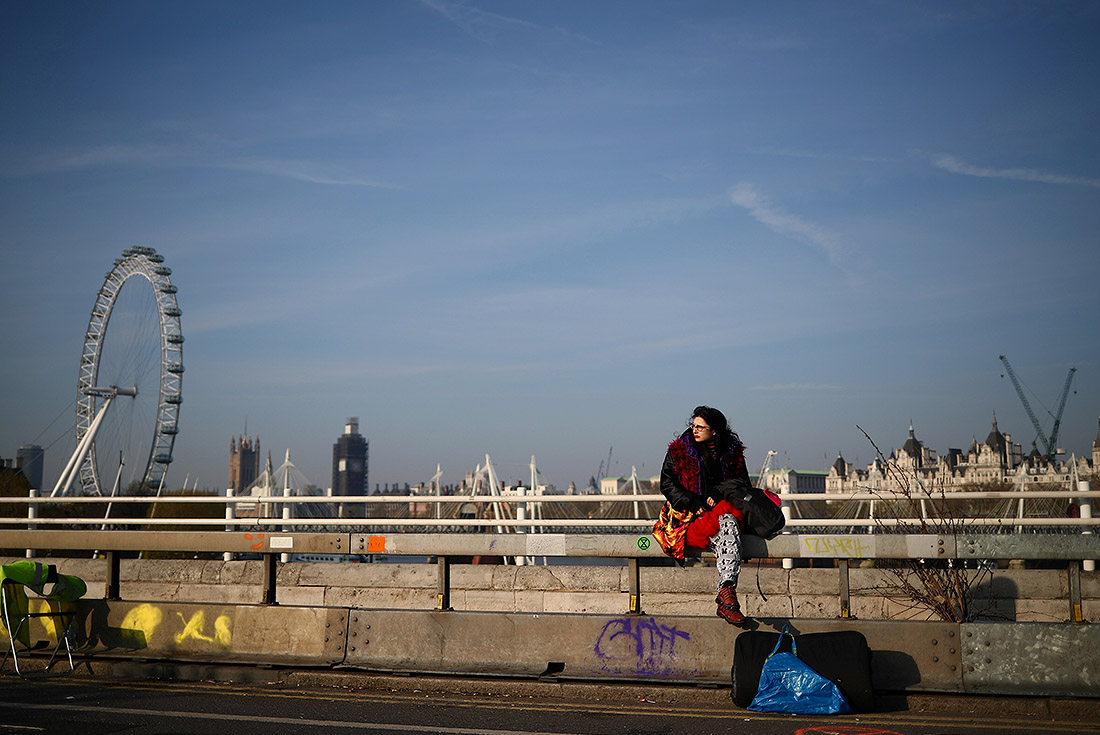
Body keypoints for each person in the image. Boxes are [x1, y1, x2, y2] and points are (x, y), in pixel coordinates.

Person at [659, 405, 755, 624]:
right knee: (729, 526)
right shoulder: (679, 450)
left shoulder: (732, 452)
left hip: (721, 515)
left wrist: (717, 491)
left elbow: (742, 484)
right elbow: (667, 484)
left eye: (700, 427)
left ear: (715, 431)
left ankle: (727, 595)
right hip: (687, 518)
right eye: (693, 425)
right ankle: (727, 597)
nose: (694, 430)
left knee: (728, 526)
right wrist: (692, 501)